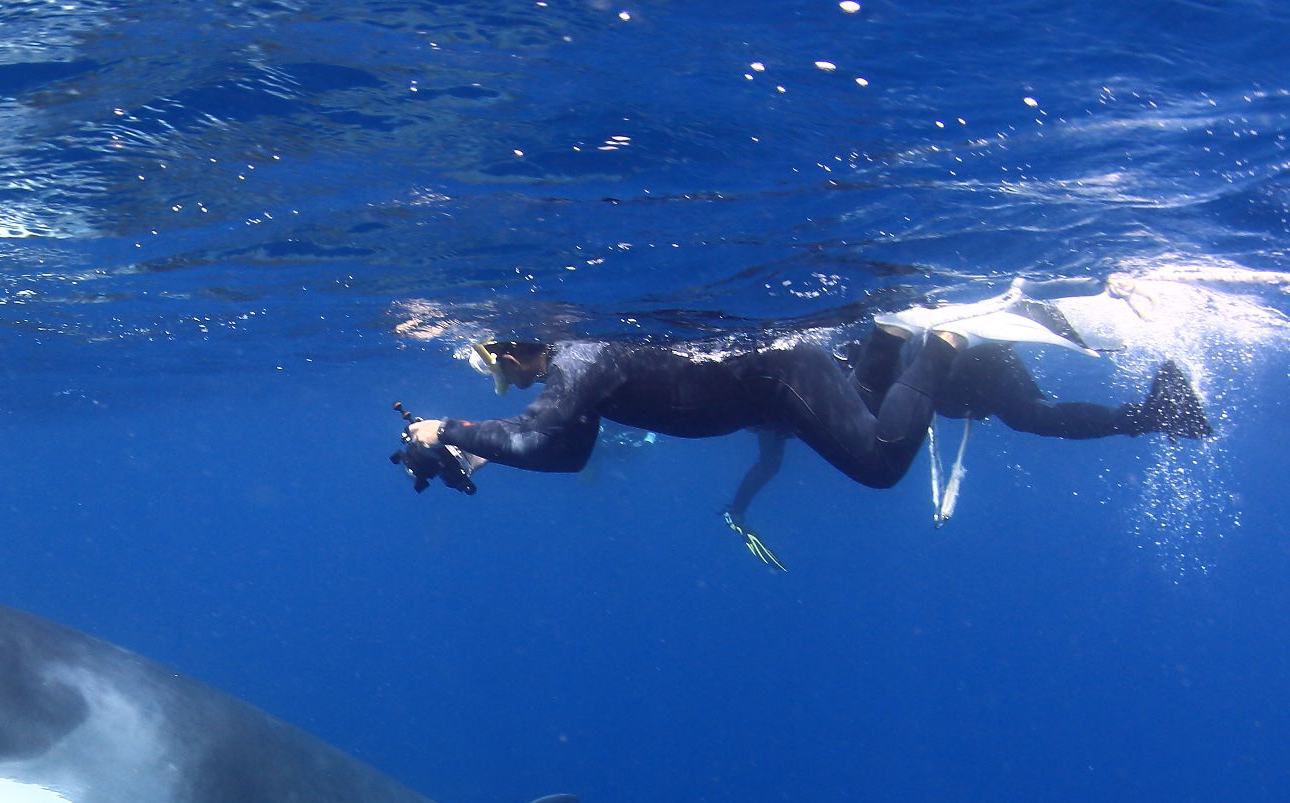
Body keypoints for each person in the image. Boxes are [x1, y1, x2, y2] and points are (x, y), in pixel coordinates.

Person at [721, 329, 1213, 565]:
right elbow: (767, 462)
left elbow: (873, 377)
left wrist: (739, 511)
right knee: (1029, 415)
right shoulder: (788, 406)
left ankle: (1158, 412)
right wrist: (738, 512)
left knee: (1029, 415)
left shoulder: (805, 389)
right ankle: (1158, 411)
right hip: (961, 369)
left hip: (958, 365)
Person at [403, 322, 969, 498]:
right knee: (867, 412)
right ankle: (890, 335)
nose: (508, 382)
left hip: (779, 376)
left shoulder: (579, 360)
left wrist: (445, 429)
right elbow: (568, 450)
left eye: (497, 369)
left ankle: (945, 338)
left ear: (511, 348)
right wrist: (474, 452)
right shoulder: (574, 365)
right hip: (769, 383)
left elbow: (541, 436)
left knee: (880, 463)